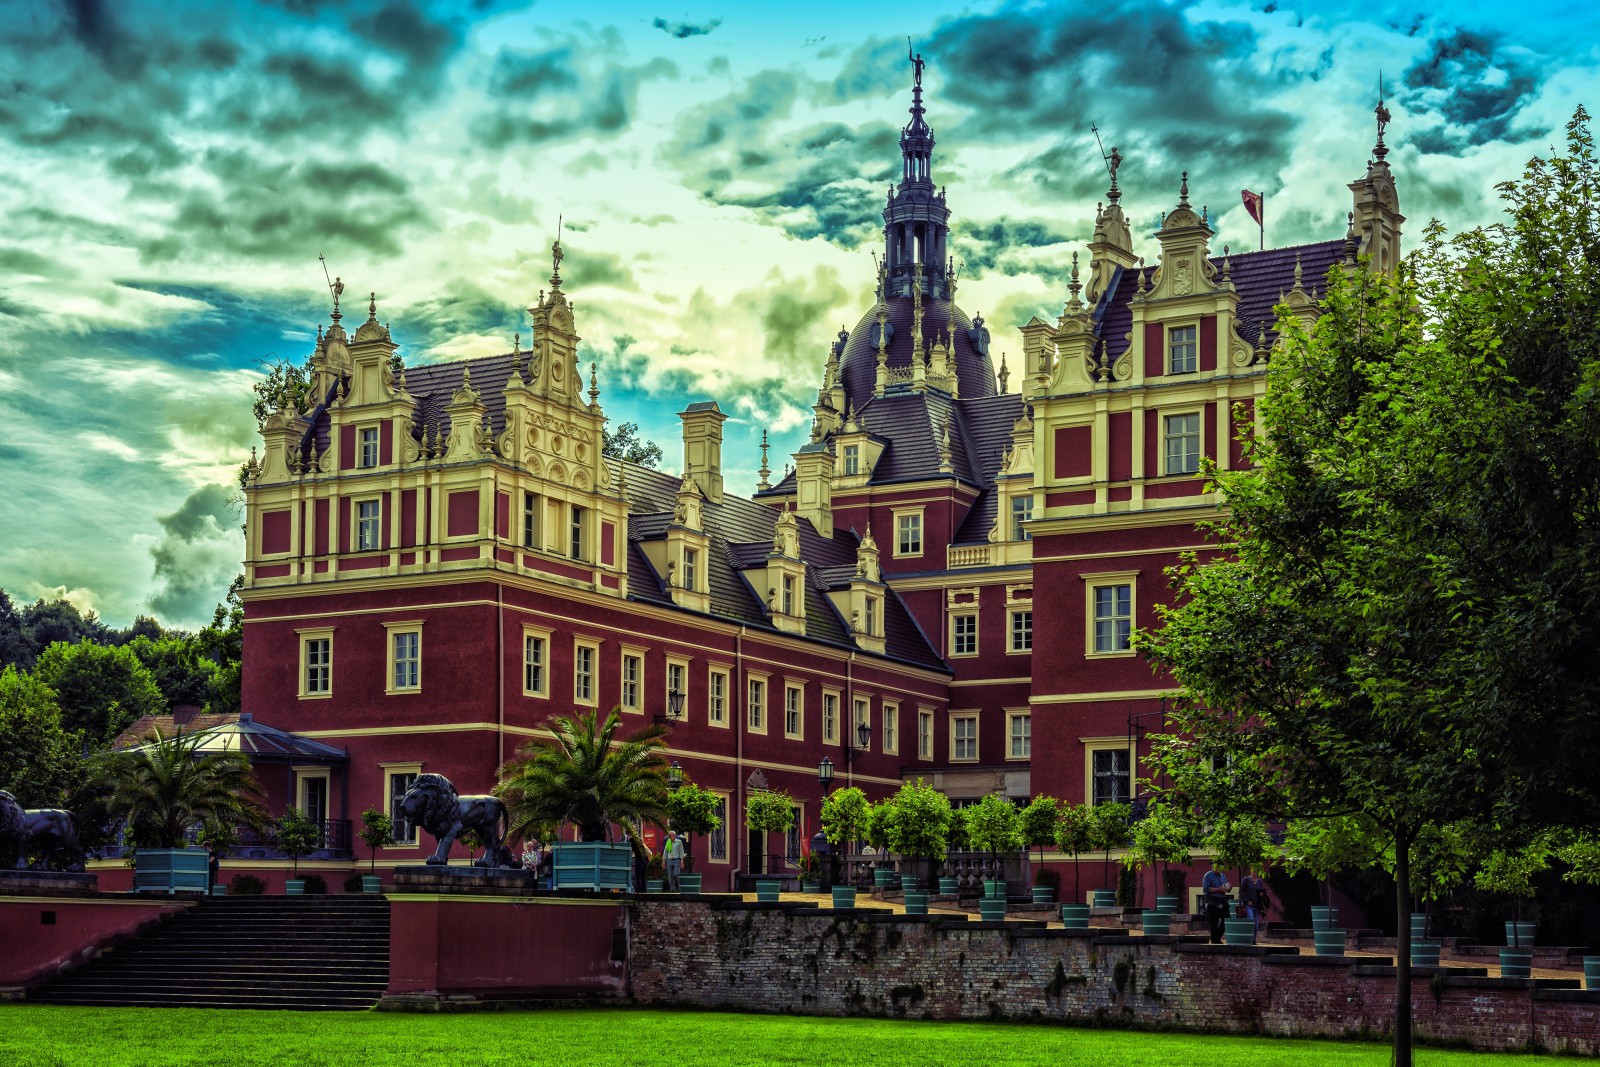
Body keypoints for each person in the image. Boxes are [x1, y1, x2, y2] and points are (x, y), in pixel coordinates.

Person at [1201, 859, 1232, 944]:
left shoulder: (1223, 876)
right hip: (1212, 901)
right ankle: (1215, 940)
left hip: (1222, 900)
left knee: (1227, 920)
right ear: (1213, 866)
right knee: (1213, 922)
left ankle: (1216, 938)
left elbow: (1226, 887)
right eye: (1216, 865)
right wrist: (1219, 889)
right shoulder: (1208, 875)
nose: (1218, 867)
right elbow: (1206, 889)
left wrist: (1229, 887)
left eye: (1219, 866)